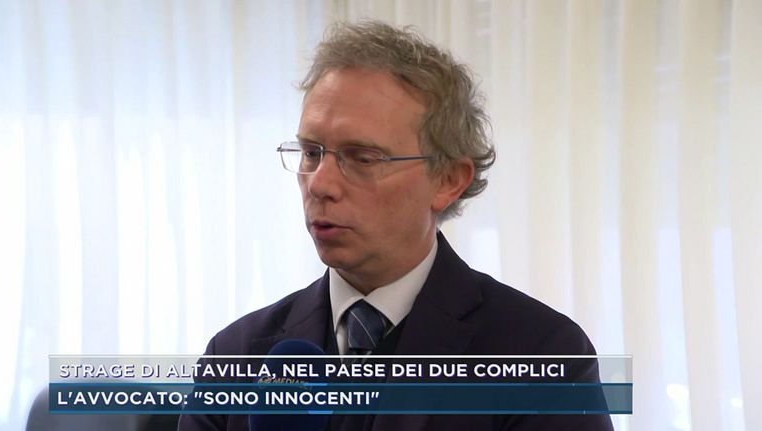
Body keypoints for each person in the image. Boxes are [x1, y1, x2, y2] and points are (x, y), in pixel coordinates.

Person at [179, 20, 613, 431]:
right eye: (311, 152)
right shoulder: (234, 356)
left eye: (362, 158)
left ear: (448, 180)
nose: (320, 184)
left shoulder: (541, 355)